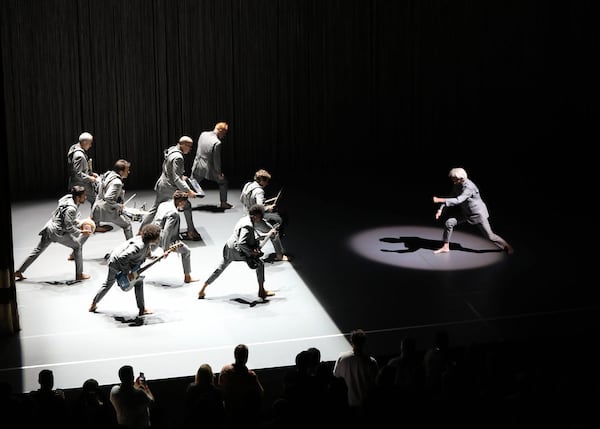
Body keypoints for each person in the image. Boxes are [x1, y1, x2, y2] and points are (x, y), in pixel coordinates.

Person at [14, 185, 93, 281]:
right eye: (84, 195)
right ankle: (79, 275)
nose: (85, 197)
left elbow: (65, 216)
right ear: (77, 197)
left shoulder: (68, 198)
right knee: (77, 246)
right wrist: (81, 231)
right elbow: (68, 226)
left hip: (49, 228)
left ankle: (19, 271)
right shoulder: (71, 209)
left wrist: (76, 221)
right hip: (57, 232)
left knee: (37, 251)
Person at [197, 204, 276, 300]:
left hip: (229, 247)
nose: (261, 219)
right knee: (260, 264)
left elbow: (252, 237)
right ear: (255, 216)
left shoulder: (244, 219)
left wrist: (267, 234)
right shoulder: (248, 226)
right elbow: (242, 243)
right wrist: (252, 252)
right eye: (260, 217)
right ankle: (261, 291)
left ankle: (202, 290)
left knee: (220, 268)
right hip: (238, 251)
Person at [432, 167, 513, 254]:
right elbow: (451, 197)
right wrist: (440, 209)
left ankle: (506, 246)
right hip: (466, 212)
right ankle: (446, 247)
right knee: (449, 223)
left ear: (461, 178)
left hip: (477, 214)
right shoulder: (457, 184)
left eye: (454, 178)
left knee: (490, 236)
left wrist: (439, 199)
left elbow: (458, 200)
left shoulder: (469, 187)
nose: (452, 180)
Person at [88, 223, 161, 316]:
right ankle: (142, 309)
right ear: (153, 238)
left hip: (116, 259)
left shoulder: (144, 242)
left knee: (136, 282)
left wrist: (155, 257)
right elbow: (123, 257)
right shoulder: (139, 247)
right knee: (110, 283)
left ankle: (93, 304)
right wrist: (127, 272)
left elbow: (147, 252)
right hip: (115, 263)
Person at [140, 136, 201, 240]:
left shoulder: (172, 149)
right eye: (189, 147)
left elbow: (170, 169)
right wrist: (188, 191)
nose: (190, 149)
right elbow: (176, 179)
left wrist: (181, 175)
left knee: (154, 209)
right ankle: (191, 231)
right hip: (169, 187)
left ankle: (141, 231)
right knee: (187, 206)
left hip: (162, 183)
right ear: (183, 145)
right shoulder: (178, 157)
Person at [240, 169, 289, 261]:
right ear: (262, 180)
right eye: (266, 181)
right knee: (274, 232)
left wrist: (255, 204)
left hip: (245, 216)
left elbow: (242, 199)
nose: (267, 183)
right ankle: (280, 256)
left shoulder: (248, 185)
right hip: (255, 219)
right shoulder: (259, 191)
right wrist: (268, 208)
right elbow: (260, 208)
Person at [67, 131, 110, 232]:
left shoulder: (74, 149)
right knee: (96, 202)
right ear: (85, 142)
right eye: (90, 143)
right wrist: (90, 178)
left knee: (74, 205)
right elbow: (78, 174)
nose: (91, 145)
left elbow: (81, 170)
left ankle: (70, 225)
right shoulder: (79, 155)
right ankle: (96, 225)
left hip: (76, 183)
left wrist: (91, 173)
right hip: (81, 184)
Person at [152, 190, 199, 283]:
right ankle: (187, 277)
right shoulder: (174, 214)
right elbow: (167, 231)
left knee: (144, 253)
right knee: (186, 251)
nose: (185, 205)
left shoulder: (164, 204)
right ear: (180, 202)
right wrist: (165, 249)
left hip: (153, 233)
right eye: (184, 203)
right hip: (164, 239)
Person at [333, 329, 379, 421]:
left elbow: (336, 375)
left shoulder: (342, 358)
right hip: (364, 404)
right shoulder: (372, 362)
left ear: (352, 341)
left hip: (348, 403)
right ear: (364, 343)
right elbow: (375, 383)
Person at [218, 344, 265, 429]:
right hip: (246, 416)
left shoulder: (225, 371)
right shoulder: (251, 376)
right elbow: (261, 393)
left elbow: (221, 390)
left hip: (229, 414)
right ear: (246, 357)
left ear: (235, 355)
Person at [191, 122, 233, 209]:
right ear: (220, 131)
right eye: (224, 133)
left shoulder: (203, 134)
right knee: (223, 182)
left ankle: (179, 203)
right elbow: (216, 160)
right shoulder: (217, 143)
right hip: (208, 168)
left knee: (190, 184)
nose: (224, 136)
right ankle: (223, 203)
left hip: (198, 165)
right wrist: (219, 173)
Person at [89, 159, 134, 240]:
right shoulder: (117, 182)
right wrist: (118, 206)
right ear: (121, 171)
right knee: (127, 225)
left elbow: (100, 182)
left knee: (86, 232)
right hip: (106, 210)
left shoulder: (109, 174)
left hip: (96, 208)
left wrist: (97, 177)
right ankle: (131, 246)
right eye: (127, 170)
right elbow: (108, 198)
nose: (129, 172)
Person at [110, 365, 154, 429]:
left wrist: (135, 386)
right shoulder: (140, 394)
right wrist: (145, 386)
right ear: (133, 377)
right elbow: (152, 403)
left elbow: (128, 392)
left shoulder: (114, 392)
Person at [183, 363, 225, 429]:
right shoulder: (216, 392)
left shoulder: (192, 389)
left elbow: (187, 409)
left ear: (198, 376)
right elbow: (220, 413)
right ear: (211, 376)